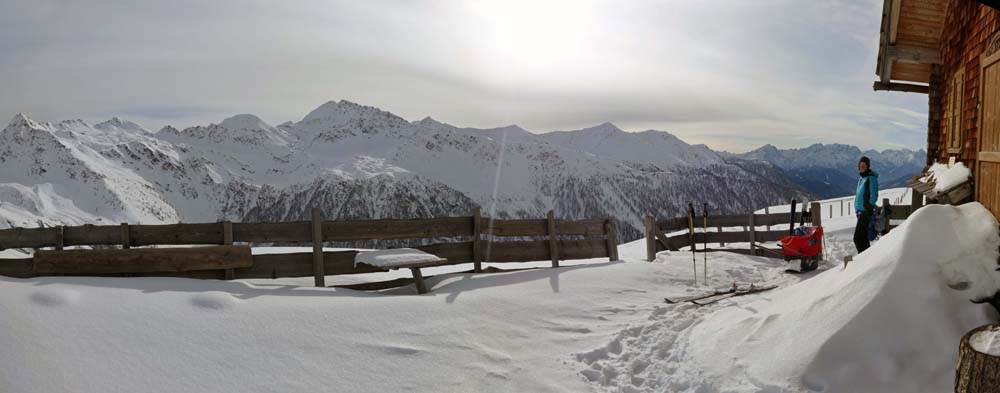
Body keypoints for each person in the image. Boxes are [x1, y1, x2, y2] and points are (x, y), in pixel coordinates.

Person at [853, 156, 879, 253]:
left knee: (857, 238)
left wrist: (869, 206)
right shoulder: (862, 178)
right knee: (863, 238)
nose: (862, 167)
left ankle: (862, 259)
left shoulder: (871, 178)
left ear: (868, 166)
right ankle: (867, 259)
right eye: (860, 165)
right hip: (860, 211)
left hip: (865, 211)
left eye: (864, 165)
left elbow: (874, 194)